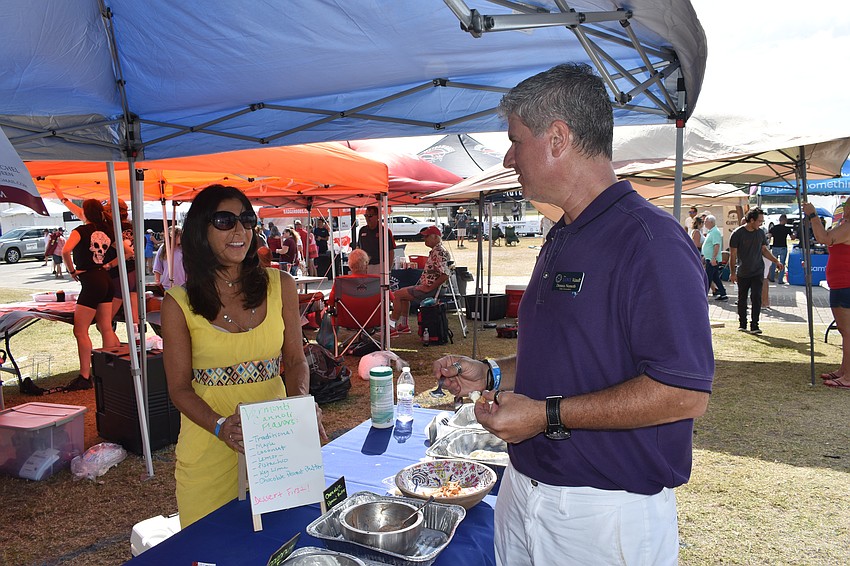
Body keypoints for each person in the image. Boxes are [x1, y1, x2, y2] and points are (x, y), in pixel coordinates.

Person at [432, 63, 713, 565]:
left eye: (516, 140)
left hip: (602, 514)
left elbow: (682, 393)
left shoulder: (650, 241)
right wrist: (491, 372)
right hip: (525, 490)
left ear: (558, 138)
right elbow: (569, 357)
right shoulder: (564, 233)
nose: (508, 157)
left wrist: (546, 416)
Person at [160, 184, 326, 528]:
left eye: (247, 220)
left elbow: (296, 361)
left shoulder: (281, 285)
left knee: (287, 538)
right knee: (212, 547)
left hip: (278, 448)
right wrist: (221, 427)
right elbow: (179, 389)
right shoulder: (178, 303)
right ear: (200, 230)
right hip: (209, 449)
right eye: (225, 221)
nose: (240, 230)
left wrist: (299, 405)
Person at [62, 199, 121, 390]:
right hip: (105, 279)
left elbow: (65, 250)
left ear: (85, 213)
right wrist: (109, 265)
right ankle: (112, 372)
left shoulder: (80, 230)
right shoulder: (107, 230)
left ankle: (84, 376)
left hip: (91, 280)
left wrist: (72, 271)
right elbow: (126, 251)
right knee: (106, 327)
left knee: (80, 330)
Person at [803, 201, 850, 388]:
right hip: (841, 283)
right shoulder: (845, 225)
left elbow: (824, 238)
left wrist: (813, 216)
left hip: (845, 283)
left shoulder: (848, 227)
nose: (844, 209)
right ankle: (844, 371)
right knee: (844, 331)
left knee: (847, 332)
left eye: (846, 206)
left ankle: (848, 376)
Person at [729, 208, 783, 335]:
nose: (761, 223)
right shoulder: (737, 234)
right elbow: (733, 255)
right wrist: (733, 273)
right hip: (743, 272)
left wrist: (776, 261)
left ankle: (755, 325)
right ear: (752, 220)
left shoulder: (760, 233)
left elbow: (764, 250)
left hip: (758, 271)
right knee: (742, 299)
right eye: (759, 221)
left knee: (756, 298)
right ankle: (742, 323)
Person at [390, 226, 449, 336]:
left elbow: (445, 275)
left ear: (435, 237)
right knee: (403, 295)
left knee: (396, 295)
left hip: (431, 289)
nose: (424, 239)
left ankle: (391, 326)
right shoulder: (437, 250)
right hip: (431, 287)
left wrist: (429, 288)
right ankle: (404, 325)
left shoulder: (438, 252)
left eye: (427, 236)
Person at [357, 205, 396, 275]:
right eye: (366, 216)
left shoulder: (385, 231)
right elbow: (358, 248)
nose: (367, 218)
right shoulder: (362, 230)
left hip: (380, 265)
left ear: (377, 216)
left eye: (370, 216)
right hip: (365, 266)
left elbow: (391, 251)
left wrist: (388, 269)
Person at [702, 215, 727, 301]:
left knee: (708, 278)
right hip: (710, 258)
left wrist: (713, 258)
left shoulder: (715, 232)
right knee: (715, 278)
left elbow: (716, 245)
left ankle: (704, 295)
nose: (704, 223)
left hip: (713, 260)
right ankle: (723, 294)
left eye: (706, 221)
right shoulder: (711, 232)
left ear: (711, 222)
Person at [768, 214, 794, 284]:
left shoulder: (774, 228)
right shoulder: (787, 229)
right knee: (782, 263)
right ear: (785, 221)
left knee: (773, 262)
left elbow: (769, 236)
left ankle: (771, 277)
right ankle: (780, 280)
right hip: (783, 247)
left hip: (775, 246)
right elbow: (792, 238)